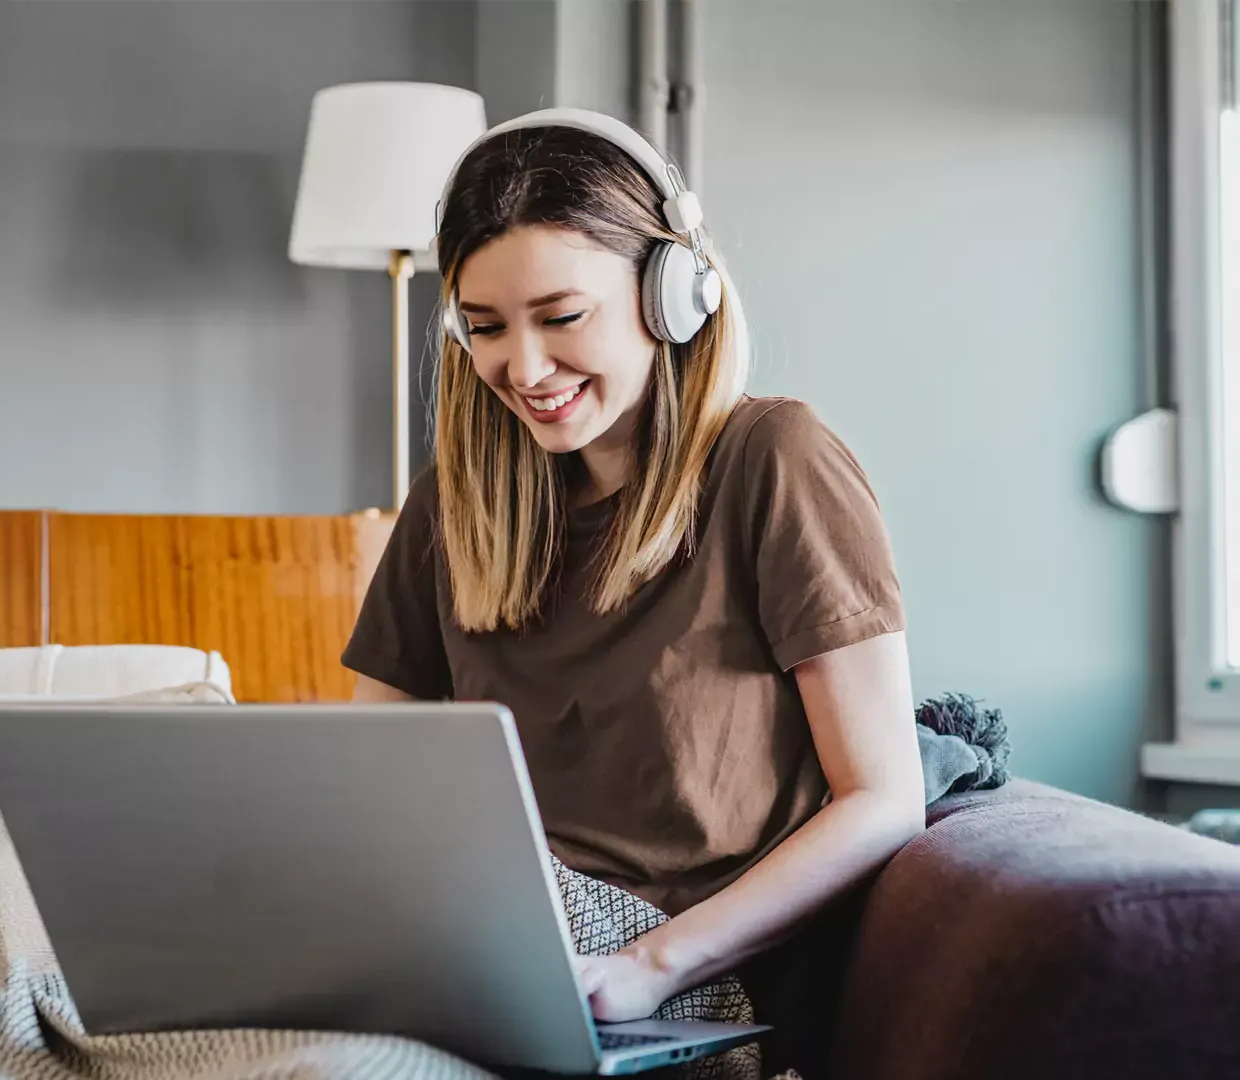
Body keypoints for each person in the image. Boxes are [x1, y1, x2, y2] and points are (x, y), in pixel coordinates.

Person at [341, 109, 925, 1079]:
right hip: (482, 944)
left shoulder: (773, 460)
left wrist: (645, 970)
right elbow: (365, 779)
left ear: (672, 292)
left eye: (562, 317)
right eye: (484, 328)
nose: (521, 369)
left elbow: (884, 799)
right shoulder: (455, 502)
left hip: (671, 974)